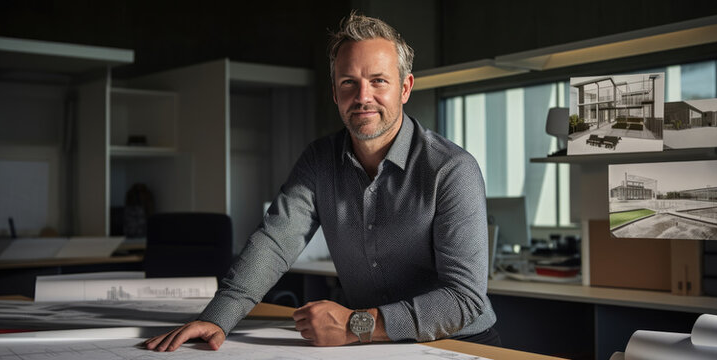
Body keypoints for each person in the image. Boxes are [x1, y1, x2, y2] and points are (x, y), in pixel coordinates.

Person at [144, 11, 498, 352]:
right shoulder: (319, 160)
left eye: (378, 81)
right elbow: (273, 243)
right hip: (369, 348)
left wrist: (355, 325)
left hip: (457, 346)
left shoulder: (451, 170)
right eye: (349, 83)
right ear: (334, 92)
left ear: (405, 88)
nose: (362, 97)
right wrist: (218, 318)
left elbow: (463, 299)